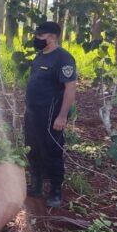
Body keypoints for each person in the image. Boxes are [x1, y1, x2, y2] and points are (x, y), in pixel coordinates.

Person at [25, 21, 77, 208]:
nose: (36, 39)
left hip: (50, 115)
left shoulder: (63, 58)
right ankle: (36, 185)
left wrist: (62, 116)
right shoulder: (40, 56)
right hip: (32, 113)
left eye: (40, 36)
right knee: (32, 149)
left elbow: (70, 88)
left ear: (52, 37)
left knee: (52, 152)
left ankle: (55, 190)